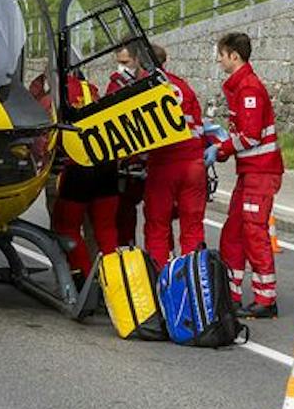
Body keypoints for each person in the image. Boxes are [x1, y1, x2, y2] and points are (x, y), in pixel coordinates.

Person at [211, 31, 284, 318]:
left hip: (261, 172)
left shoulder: (249, 89)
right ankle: (232, 292)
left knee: (254, 231)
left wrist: (222, 149)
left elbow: (251, 136)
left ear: (234, 56)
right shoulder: (240, 86)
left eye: (221, 54)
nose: (218, 60)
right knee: (234, 230)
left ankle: (266, 300)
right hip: (250, 172)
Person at [50, 73, 120, 289]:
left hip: (78, 166)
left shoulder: (54, 93)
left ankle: (85, 280)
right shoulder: (92, 89)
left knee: (66, 226)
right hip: (107, 164)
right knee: (106, 229)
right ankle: (116, 283)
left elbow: (47, 130)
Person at [141, 43, 207, 269]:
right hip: (194, 164)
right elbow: (199, 127)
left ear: (143, 64)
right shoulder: (182, 85)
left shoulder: (146, 88)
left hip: (164, 165)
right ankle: (194, 280)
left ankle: (161, 280)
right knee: (193, 226)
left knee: (158, 226)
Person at [106, 42, 147, 246]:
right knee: (121, 213)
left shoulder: (148, 83)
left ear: (137, 59)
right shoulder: (115, 84)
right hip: (122, 160)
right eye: (119, 62)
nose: (121, 67)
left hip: (143, 158)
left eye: (125, 62)